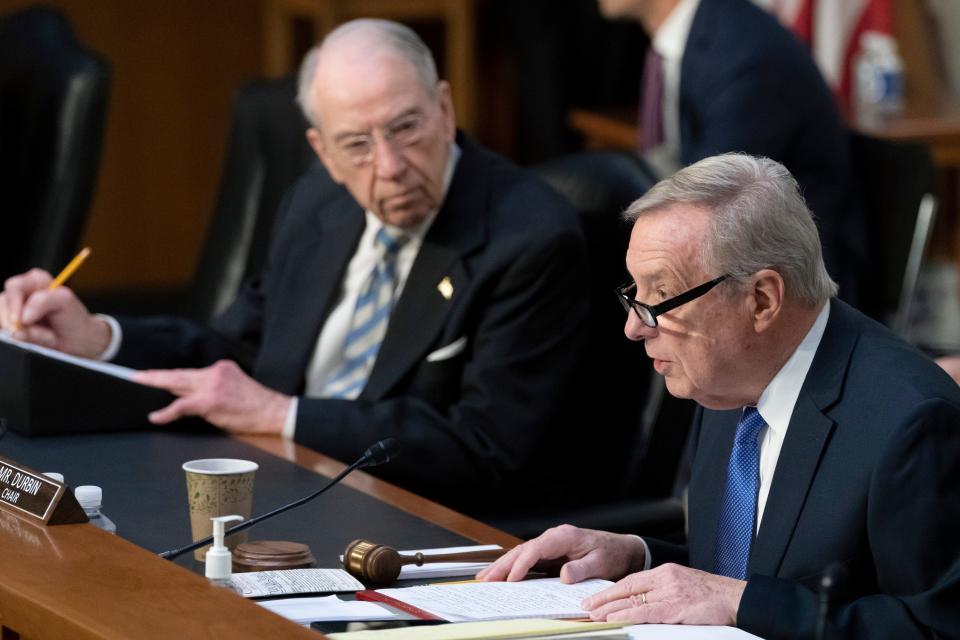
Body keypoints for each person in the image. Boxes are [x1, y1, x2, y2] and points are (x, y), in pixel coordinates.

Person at [0, 19, 591, 513]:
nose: (388, 165)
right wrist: (98, 338)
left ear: (444, 107)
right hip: (272, 485)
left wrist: (282, 414)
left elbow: (482, 447)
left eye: (406, 128)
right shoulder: (318, 205)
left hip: (412, 516)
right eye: (357, 144)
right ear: (323, 152)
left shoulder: (530, 237)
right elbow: (234, 351)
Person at [478, 154, 960, 639]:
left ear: (762, 300)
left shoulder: (912, 424)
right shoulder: (728, 377)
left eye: (659, 298)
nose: (631, 327)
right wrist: (632, 557)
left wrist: (740, 602)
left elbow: (936, 628)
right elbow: (748, 571)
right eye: (633, 294)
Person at [600, 0, 868, 307]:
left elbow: (713, 202)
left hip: (793, 283)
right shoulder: (698, 34)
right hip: (724, 251)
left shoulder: (746, 52)